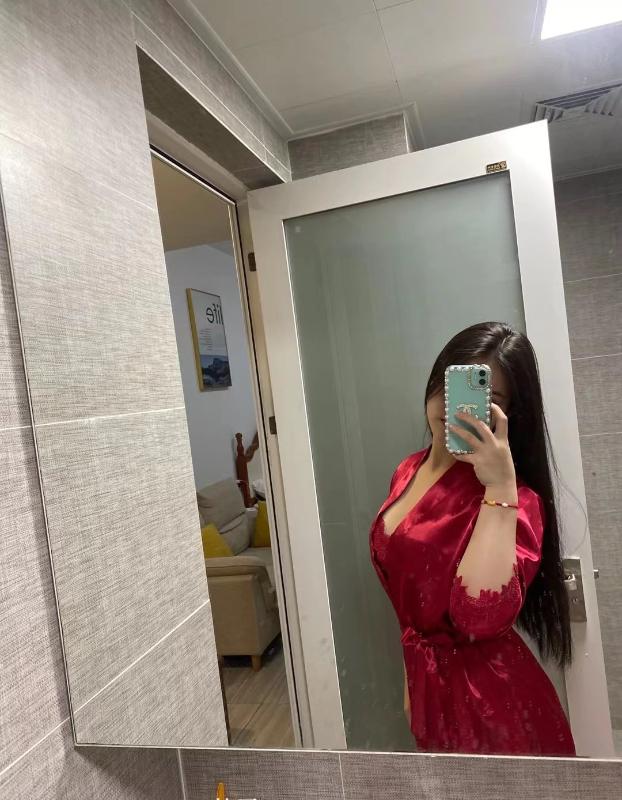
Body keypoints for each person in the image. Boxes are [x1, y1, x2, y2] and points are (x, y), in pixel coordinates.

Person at [370, 321, 576, 756]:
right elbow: (408, 605)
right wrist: (412, 682)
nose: (453, 406)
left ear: (508, 415)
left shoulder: (518, 501)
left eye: (484, 397)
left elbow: (479, 617)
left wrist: (499, 485)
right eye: (450, 384)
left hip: (496, 707)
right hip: (429, 693)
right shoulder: (407, 471)